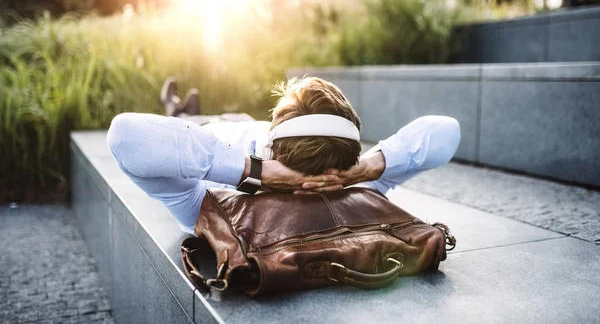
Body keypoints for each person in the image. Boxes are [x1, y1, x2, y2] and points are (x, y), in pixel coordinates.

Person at [106, 76, 461, 234]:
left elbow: (126, 135)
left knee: (181, 123)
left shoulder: (213, 209)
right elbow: (445, 130)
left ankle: (177, 110)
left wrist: (256, 171)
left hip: (204, 135)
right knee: (200, 120)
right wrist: (369, 168)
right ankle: (181, 110)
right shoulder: (353, 183)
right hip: (232, 129)